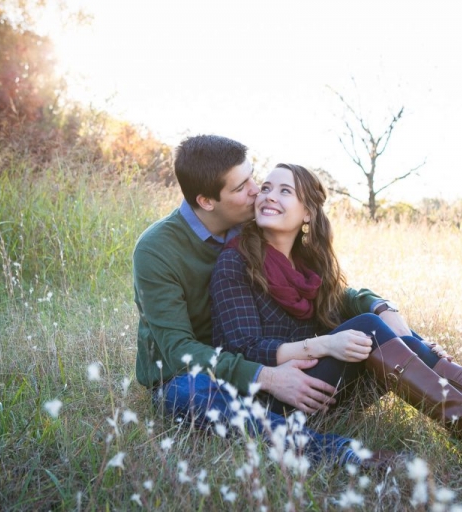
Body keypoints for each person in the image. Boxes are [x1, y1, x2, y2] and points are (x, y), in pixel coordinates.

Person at [210, 163, 462, 454]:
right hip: (276, 397)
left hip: (322, 388)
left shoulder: (310, 266)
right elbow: (241, 347)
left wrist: (402, 330)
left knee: (384, 331)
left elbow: (346, 305)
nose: (268, 195)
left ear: (306, 214)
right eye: (266, 187)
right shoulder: (236, 260)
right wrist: (327, 345)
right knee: (369, 328)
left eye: (286, 191)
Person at [133, 135, 396, 468]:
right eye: (242, 186)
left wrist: (379, 305)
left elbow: (321, 285)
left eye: (252, 176)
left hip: (261, 362)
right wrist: (267, 376)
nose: (258, 191)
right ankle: (338, 452)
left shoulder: (253, 223)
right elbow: (178, 351)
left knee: (369, 333)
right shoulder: (157, 250)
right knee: (189, 393)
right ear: (207, 200)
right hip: (196, 374)